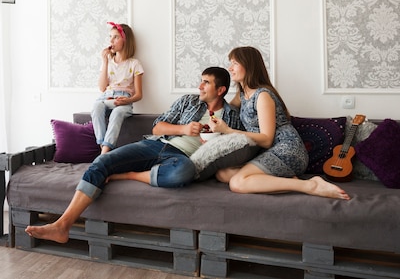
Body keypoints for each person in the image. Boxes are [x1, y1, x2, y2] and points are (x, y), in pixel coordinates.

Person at [25, 66, 243, 243]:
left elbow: (237, 141)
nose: (200, 86)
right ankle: (62, 225)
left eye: (206, 82)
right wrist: (183, 129)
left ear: (221, 90)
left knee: (185, 172)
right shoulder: (189, 101)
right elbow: (157, 127)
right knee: (103, 161)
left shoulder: (232, 116)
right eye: (201, 80)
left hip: (182, 159)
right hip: (157, 145)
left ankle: (129, 175)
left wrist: (220, 132)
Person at [210, 46, 350, 200]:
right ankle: (288, 181)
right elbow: (225, 110)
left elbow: (266, 139)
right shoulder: (243, 95)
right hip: (268, 153)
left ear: (249, 65)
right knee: (223, 174)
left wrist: (228, 130)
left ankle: (311, 185)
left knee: (237, 183)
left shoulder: (262, 95)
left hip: (287, 149)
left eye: (235, 63)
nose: (230, 68)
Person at [91, 22, 144, 154]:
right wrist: (104, 61)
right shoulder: (108, 63)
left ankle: (104, 153)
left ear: (125, 40)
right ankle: (103, 149)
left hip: (123, 99)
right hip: (106, 97)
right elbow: (102, 88)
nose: (111, 41)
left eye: (116, 37)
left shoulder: (134, 64)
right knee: (96, 107)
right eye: (110, 37)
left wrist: (127, 101)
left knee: (117, 113)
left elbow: (139, 95)